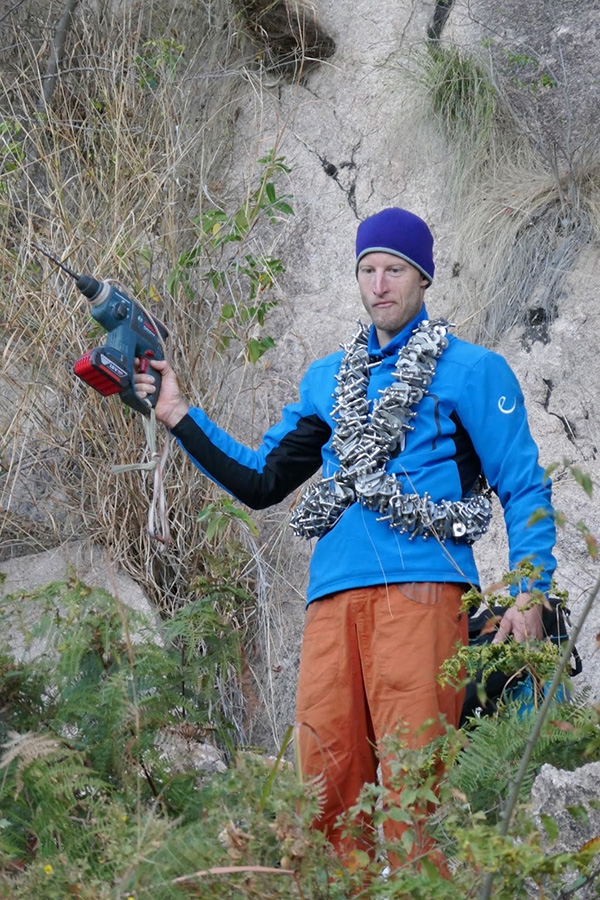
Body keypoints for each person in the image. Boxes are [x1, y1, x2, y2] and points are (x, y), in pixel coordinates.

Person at [134, 207, 556, 869]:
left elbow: (524, 486)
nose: (379, 283)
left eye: (394, 269)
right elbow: (263, 481)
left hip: (421, 592)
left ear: (422, 278)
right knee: (326, 796)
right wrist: (178, 415)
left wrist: (530, 590)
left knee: (417, 793)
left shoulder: (473, 371)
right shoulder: (327, 379)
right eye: (367, 269)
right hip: (330, 603)